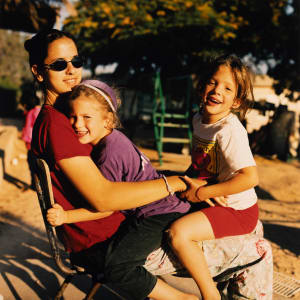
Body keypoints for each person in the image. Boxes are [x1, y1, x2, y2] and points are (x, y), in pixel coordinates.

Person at [25, 28, 200, 300]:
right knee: (240, 243)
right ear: (38, 72)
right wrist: (174, 183)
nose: (71, 70)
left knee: (203, 201)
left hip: (106, 228)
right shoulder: (59, 126)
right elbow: (103, 198)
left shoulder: (66, 119)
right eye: (59, 65)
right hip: (103, 238)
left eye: (76, 61)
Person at [47, 79, 218, 300]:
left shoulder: (109, 153)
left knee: (116, 266)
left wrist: (66, 216)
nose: (77, 124)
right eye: (73, 116)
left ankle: (182, 298)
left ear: (108, 121)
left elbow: (106, 206)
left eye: (86, 117)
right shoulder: (113, 140)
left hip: (158, 214)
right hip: (158, 208)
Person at [168, 54, 259, 300]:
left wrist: (203, 192)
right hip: (212, 194)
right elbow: (200, 164)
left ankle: (210, 295)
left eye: (227, 88)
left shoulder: (229, 130)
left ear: (237, 101)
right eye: (212, 82)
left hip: (238, 210)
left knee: (179, 233)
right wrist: (194, 183)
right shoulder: (199, 119)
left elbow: (250, 178)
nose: (217, 90)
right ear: (202, 86)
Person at [20, 91, 41, 189]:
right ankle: (34, 184)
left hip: (33, 144)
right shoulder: (32, 111)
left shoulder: (35, 111)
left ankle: (35, 185)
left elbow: (34, 129)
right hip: (30, 143)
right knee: (31, 164)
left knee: (33, 165)